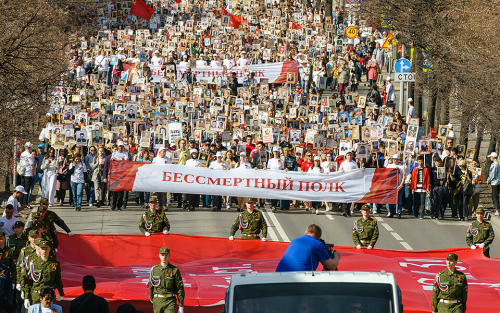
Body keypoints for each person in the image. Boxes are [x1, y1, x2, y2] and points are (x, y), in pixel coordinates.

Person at [276, 224, 340, 272]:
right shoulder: (317, 244)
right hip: (299, 280)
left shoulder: (295, 240)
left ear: (305, 233)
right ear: (319, 237)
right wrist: (336, 256)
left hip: (279, 277)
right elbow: (332, 266)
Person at [22, 240, 64, 307]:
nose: (44, 251)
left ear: (49, 249)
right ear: (39, 250)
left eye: (46, 249)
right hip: (36, 295)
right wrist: (26, 297)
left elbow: (58, 279)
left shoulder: (55, 263)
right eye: (42, 249)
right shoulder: (33, 263)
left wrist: (61, 292)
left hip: (49, 296)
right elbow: (26, 280)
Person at [148, 247, 185, 313]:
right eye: (162, 255)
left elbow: (180, 288)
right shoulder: (154, 269)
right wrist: (151, 298)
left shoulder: (174, 270)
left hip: (170, 301)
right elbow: (151, 285)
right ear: (159, 256)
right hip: (158, 301)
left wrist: (181, 305)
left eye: (166, 255)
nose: (164, 257)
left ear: (169, 256)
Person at [486, 152, 500, 216]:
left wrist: (488, 180)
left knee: (495, 196)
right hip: (498, 181)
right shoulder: (498, 164)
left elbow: (492, 174)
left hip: (495, 182)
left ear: (493, 157)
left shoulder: (495, 165)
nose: (490, 158)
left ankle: (497, 210)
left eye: (491, 157)